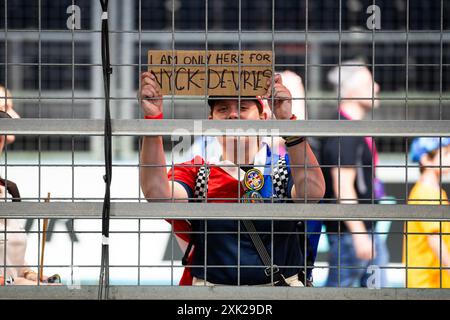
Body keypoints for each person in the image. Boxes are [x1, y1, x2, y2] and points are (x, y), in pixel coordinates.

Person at [139, 71, 325, 286]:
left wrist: (287, 122)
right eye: (223, 109)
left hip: (280, 291)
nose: (233, 115)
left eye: (243, 107)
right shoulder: (196, 173)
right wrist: (152, 120)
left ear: (264, 116)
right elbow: (157, 194)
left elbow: (313, 193)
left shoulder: (285, 168)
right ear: (210, 121)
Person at [321, 60, 389, 287]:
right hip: (352, 235)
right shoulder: (344, 132)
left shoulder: (350, 128)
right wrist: (360, 234)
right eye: (370, 82)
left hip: (358, 232)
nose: (377, 87)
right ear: (350, 90)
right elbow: (343, 186)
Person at [0, 88, 52, 285]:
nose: (16, 117)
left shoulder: (9, 188)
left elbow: (13, 263)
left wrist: (32, 275)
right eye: (5, 109)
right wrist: (16, 284)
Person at [403, 137, 450, 288]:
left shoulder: (434, 191)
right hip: (426, 283)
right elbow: (434, 238)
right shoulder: (426, 193)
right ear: (425, 159)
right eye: (446, 154)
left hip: (434, 281)